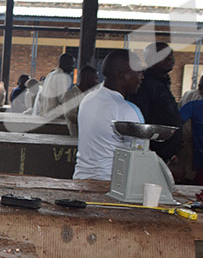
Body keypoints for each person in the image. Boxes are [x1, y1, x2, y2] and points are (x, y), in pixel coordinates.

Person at [73, 49, 144, 180]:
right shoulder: (127, 110)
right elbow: (140, 158)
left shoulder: (88, 99)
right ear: (123, 75)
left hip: (81, 178)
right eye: (138, 72)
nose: (141, 77)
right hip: (110, 185)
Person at [128, 42, 182, 163]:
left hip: (167, 153)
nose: (170, 59)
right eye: (164, 55)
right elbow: (140, 122)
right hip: (153, 154)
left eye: (171, 55)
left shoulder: (163, 82)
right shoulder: (144, 84)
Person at [61, 65, 99, 137]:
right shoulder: (70, 95)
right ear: (86, 78)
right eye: (95, 78)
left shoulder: (93, 95)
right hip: (76, 137)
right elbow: (70, 115)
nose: (97, 82)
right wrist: (89, 119)